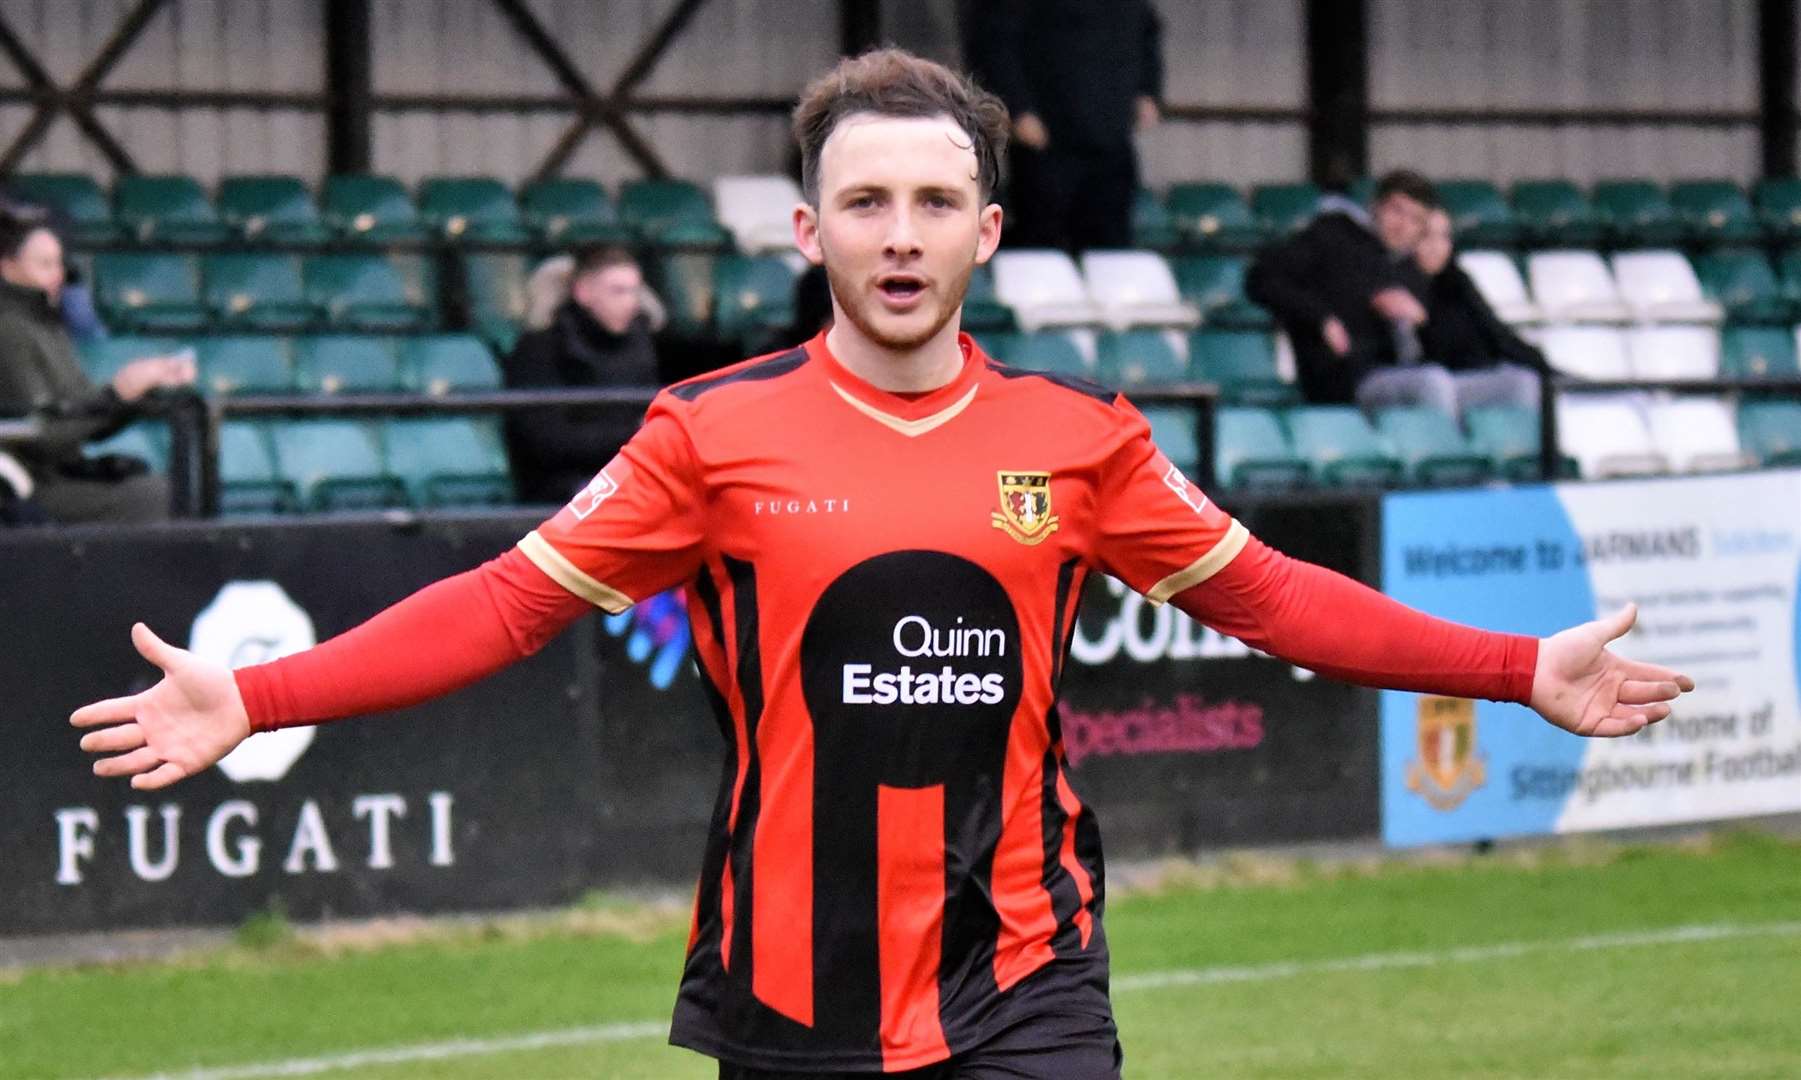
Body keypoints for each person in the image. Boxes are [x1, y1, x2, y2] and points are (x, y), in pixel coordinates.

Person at [72, 50, 1692, 1080]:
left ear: (989, 230)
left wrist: (1512, 667)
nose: (900, 233)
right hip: (790, 986)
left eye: (934, 200)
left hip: (1031, 969)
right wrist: (260, 691)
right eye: (866, 202)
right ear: (808, 233)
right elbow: (506, 605)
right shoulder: (707, 436)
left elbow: (1267, 593)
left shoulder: (1082, 439)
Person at [0, 211, 194, 524]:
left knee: (161, 490)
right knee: (156, 496)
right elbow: (43, 437)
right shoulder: (9, 330)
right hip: (27, 486)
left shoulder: (46, 325)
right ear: (8, 266)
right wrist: (117, 395)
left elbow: (85, 419)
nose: (58, 275)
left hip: (56, 475)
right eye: (44, 264)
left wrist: (137, 392)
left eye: (59, 264)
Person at [965, 0, 1163, 252]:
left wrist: (1148, 90)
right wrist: (1018, 110)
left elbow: (1147, 32)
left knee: (1112, 245)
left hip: (1111, 138)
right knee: (1040, 243)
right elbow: (993, 41)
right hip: (1046, 140)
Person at [1246, 170, 1437, 408]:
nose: (1402, 226)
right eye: (1396, 211)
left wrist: (1420, 320)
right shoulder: (1333, 237)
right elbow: (1261, 278)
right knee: (1432, 384)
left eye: (1415, 220)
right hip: (1346, 378)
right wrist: (1321, 317)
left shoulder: (1412, 273)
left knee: (1494, 382)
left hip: (1404, 374)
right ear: (1375, 206)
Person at [503, 244, 665, 505]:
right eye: (617, 291)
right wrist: (631, 435)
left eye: (635, 291)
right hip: (561, 487)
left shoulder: (641, 343)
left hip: (627, 474)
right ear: (583, 292)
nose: (630, 302)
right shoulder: (540, 347)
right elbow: (545, 440)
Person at [1414, 207, 1552, 412]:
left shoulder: (1457, 281)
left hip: (1480, 372)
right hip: (1440, 382)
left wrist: (1544, 367)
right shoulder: (1401, 287)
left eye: (1444, 237)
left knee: (1537, 379)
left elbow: (1496, 333)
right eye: (1426, 236)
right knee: (1522, 384)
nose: (1436, 247)